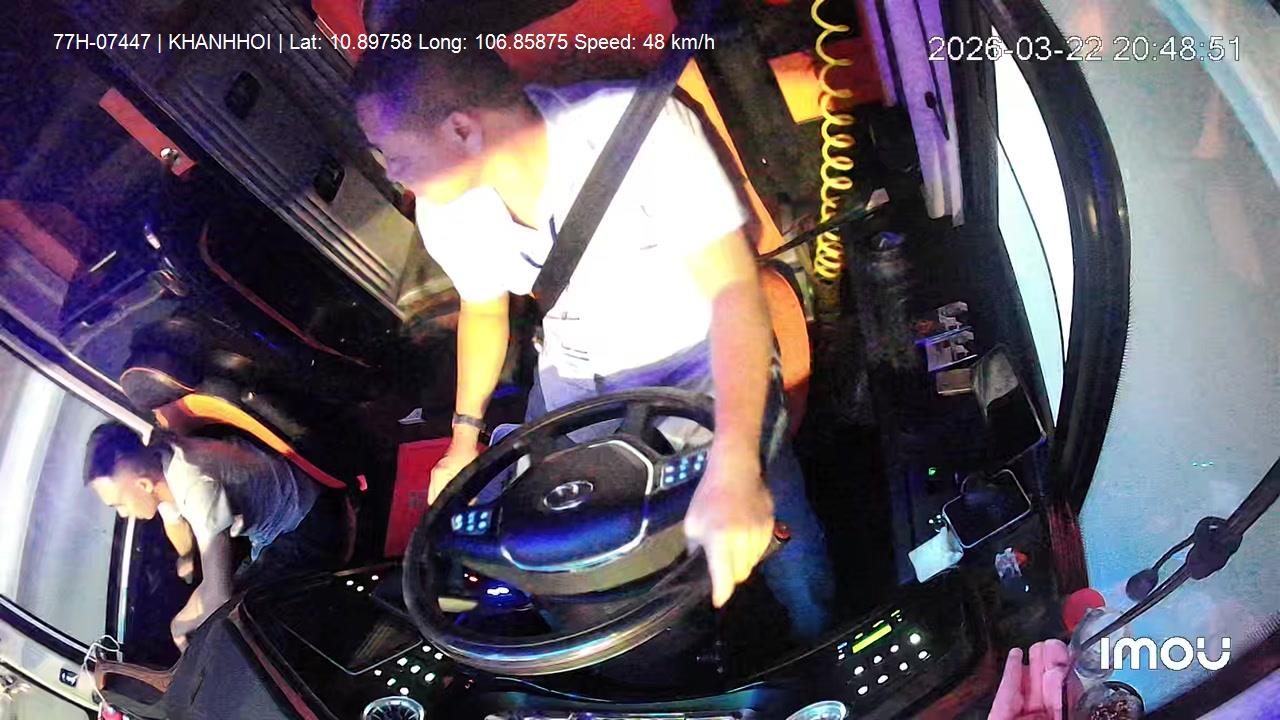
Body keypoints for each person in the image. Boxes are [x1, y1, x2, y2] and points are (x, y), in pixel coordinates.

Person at [353, 47, 833, 639]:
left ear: (461, 129)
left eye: (392, 151)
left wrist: (736, 466)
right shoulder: (445, 206)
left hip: (699, 369)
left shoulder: (637, 128)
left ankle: (816, 632)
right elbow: (484, 308)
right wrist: (463, 437)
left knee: (780, 523)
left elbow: (735, 293)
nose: (390, 172)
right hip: (575, 385)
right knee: (555, 547)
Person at [84, 422, 353, 649]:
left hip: (307, 525)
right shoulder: (161, 459)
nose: (122, 514)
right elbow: (175, 523)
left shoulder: (195, 485)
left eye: (118, 504)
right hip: (284, 524)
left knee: (246, 626)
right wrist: (187, 559)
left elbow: (219, 596)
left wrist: (177, 625)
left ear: (144, 485)